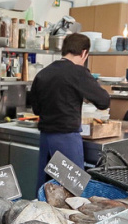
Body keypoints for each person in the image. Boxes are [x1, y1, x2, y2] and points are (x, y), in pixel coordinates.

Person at [30, 33, 111, 186]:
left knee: (46, 189)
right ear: (84, 53)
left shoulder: (43, 74)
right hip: (66, 139)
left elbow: (36, 109)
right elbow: (104, 101)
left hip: (46, 139)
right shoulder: (78, 72)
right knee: (72, 189)